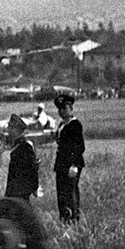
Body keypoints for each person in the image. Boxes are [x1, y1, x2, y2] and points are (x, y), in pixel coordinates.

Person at [53, 93, 85, 223]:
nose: (62, 111)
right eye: (60, 109)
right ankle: (64, 218)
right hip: (61, 163)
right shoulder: (61, 125)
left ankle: (74, 219)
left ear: (71, 109)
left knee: (71, 192)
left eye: (65, 108)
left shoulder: (75, 125)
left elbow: (79, 147)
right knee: (61, 193)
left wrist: (74, 165)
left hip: (71, 163)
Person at [4, 114, 40, 202]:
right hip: (14, 188)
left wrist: (35, 187)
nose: (8, 129)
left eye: (10, 127)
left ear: (16, 129)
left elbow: (33, 168)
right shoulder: (17, 144)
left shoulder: (25, 145)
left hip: (22, 189)